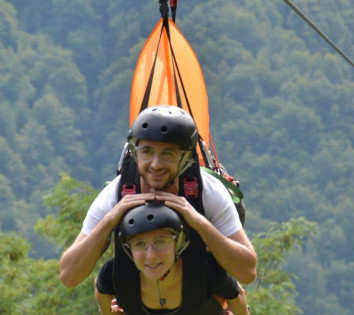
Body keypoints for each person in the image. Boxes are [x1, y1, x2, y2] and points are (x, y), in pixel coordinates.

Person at [59, 105, 257, 290]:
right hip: (139, 298)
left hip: (196, 292)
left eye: (168, 153)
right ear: (134, 153)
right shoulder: (117, 193)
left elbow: (247, 273)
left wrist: (199, 222)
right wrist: (110, 219)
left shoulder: (207, 191)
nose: (156, 164)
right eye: (147, 152)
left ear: (186, 158)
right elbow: (69, 277)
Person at [95, 202, 249, 315]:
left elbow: (235, 292)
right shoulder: (117, 273)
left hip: (202, 306)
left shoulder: (208, 270)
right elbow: (101, 285)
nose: (151, 256)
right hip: (202, 310)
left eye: (160, 242)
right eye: (140, 244)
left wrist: (108, 313)